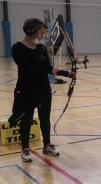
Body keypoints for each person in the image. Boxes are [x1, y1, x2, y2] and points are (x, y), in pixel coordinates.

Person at [8, 18, 75, 163]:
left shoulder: (41, 48)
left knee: (45, 118)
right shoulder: (17, 48)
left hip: (43, 89)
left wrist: (67, 73)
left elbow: (49, 68)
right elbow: (28, 68)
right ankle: (25, 149)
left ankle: (47, 145)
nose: (42, 34)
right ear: (32, 30)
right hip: (26, 89)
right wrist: (46, 69)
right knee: (26, 119)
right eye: (40, 31)